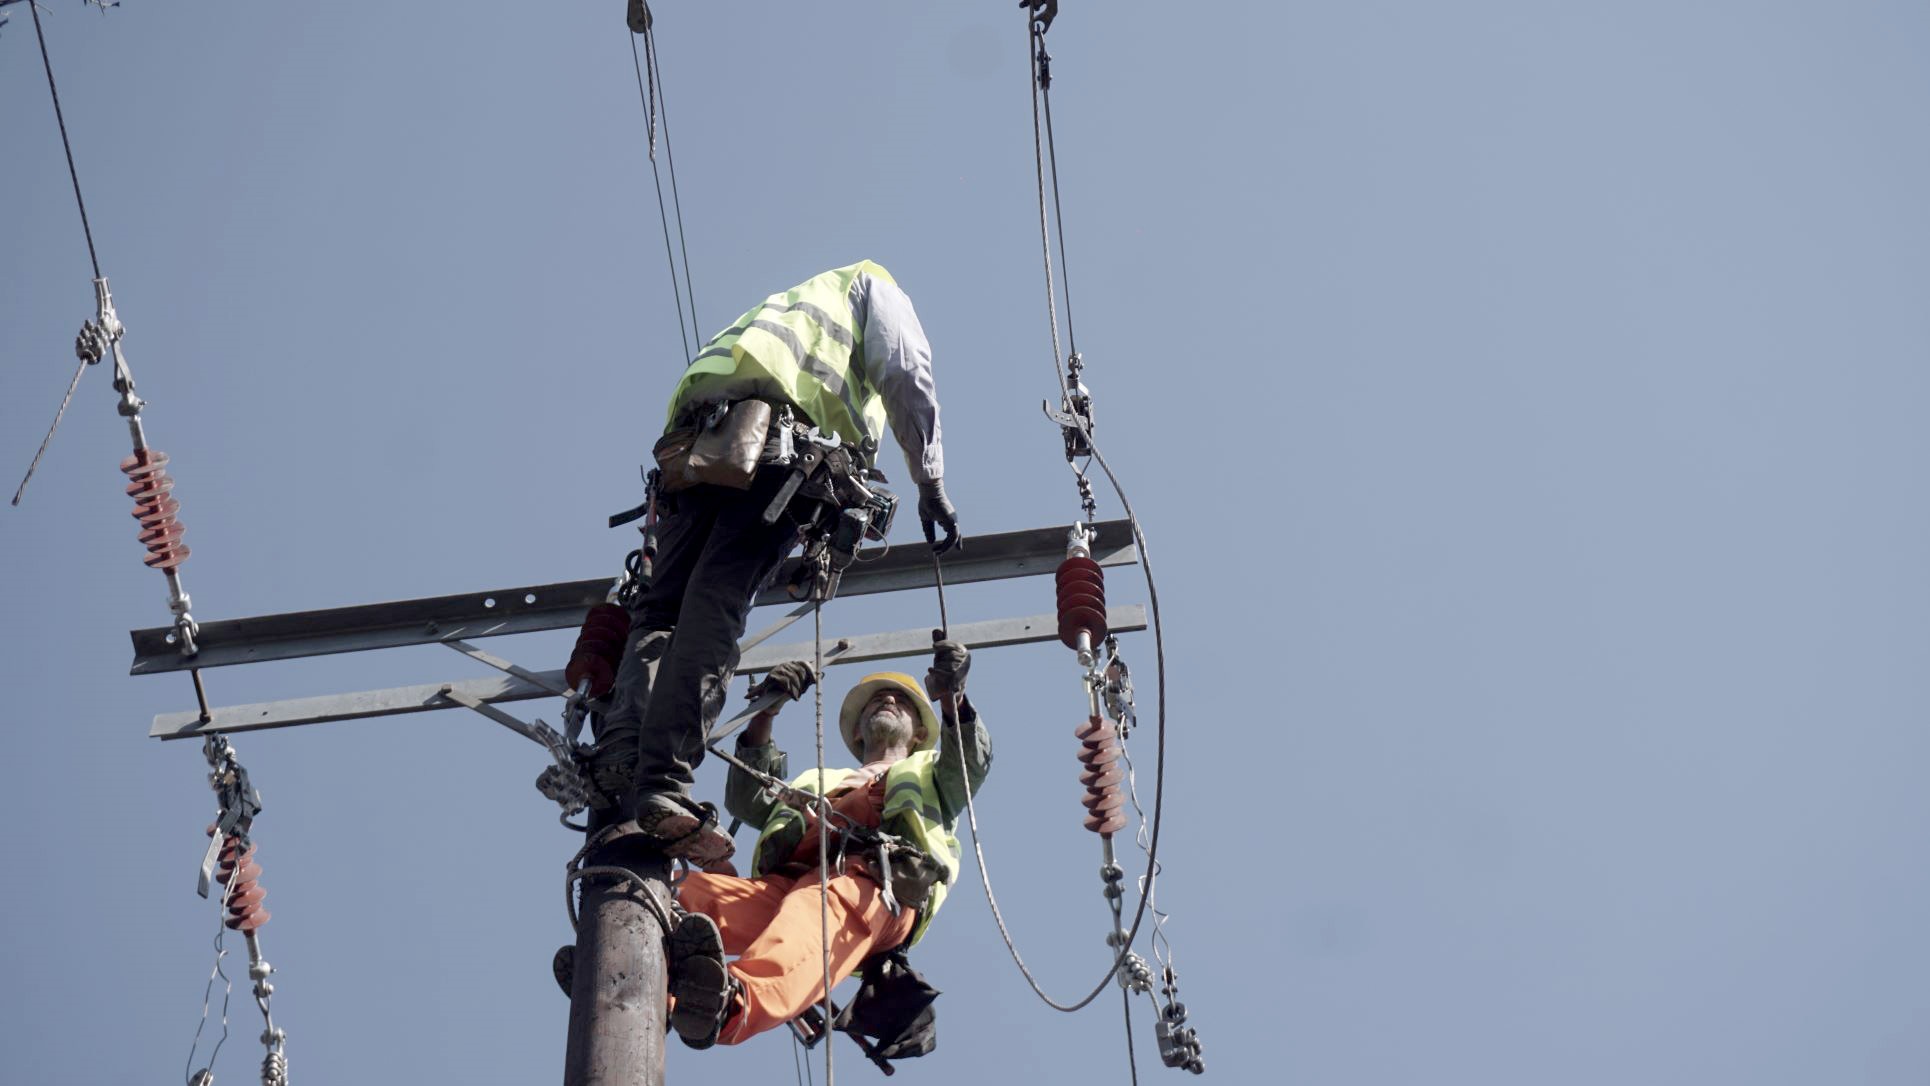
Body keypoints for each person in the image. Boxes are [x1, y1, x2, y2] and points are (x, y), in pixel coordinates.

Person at [577, 261, 962, 863]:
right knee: (716, 603)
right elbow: (904, 368)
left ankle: (624, 749)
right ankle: (665, 781)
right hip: (777, 449)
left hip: (697, 448)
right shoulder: (872, 286)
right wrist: (930, 481)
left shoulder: (783, 307)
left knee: (659, 612)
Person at [663, 639, 990, 1049]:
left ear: (922, 731)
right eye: (875, 700)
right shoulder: (817, 780)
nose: (886, 699)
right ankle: (636, 946)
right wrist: (767, 711)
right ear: (857, 730)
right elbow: (747, 800)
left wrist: (952, 697)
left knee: (816, 908)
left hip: (878, 883)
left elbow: (968, 765)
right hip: (788, 884)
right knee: (689, 895)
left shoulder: (930, 771)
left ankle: (733, 1003)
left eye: (901, 701)